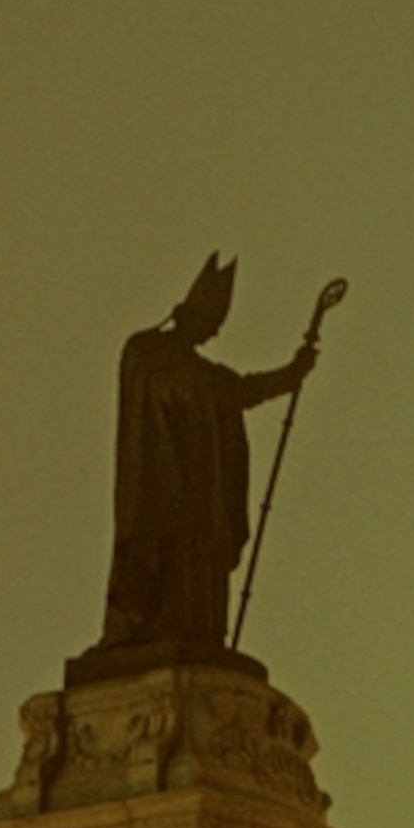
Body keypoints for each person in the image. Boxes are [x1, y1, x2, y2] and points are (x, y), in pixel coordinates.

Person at [98, 253, 316, 651]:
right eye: (209, 324)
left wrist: (292, 373)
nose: (212, 335)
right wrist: (198, 390)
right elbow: (174, 385)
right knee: (157, 554)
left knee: (199, 552)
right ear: (187, 313)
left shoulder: (202, 371)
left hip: (200, 488)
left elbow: (240, 391)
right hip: (155, 481)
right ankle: (143, 630)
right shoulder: (145, 350)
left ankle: (195, 633)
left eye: (215, 328)